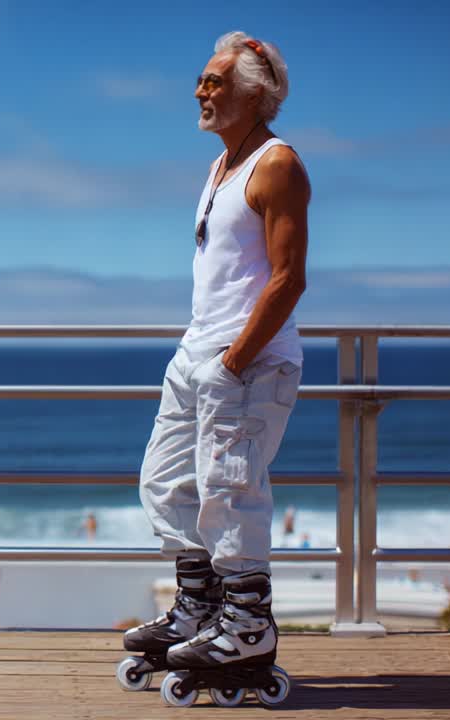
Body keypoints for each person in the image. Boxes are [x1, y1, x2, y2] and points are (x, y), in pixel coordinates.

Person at [123, 31, 309, 682]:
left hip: (247, 360)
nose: (200, 91)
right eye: (202, 80)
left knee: (230, 494)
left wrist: (234, 360)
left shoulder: (277, 165)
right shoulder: (220, 165)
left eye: (215, 81)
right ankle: (197, 613)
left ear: (256, 94)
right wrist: (206, 355)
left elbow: (288, 279)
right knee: (166, 482)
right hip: (197, 351)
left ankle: (248, 629)